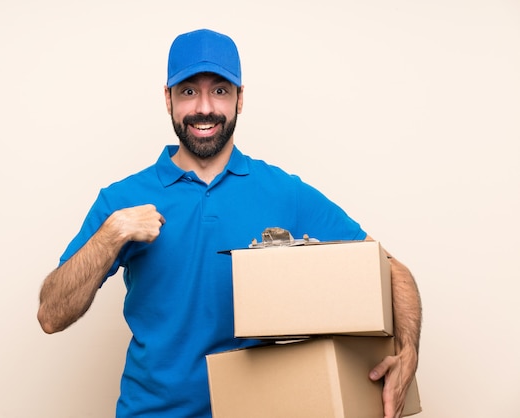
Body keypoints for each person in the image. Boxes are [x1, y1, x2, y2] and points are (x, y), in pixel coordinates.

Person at [37, 28, 422, 418]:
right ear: (167, 99)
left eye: (220, 90)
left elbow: (393, 271)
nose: (204, 107)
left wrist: (408, 354)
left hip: (259, 410)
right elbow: (51, 315)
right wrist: (110, 235)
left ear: (240, 99)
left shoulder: (283, 192)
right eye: (188, 91)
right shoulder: (122, 200)